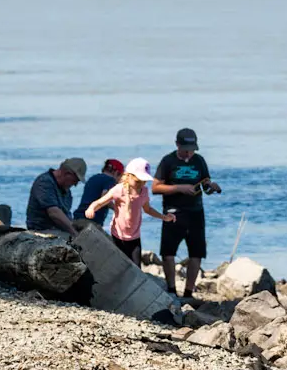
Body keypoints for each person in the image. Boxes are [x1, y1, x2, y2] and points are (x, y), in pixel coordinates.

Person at [153, 128, 220, 299]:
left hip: (196, 212)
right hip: (173, 212)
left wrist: (212, 188)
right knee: (168, 253)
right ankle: (171, 290)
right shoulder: (168, 161)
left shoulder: (199, 161)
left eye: (191, 148)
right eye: (185, 149)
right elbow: (155, 187)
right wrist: (179, 188)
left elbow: (205, 184)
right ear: (177, 145)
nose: (189, 152)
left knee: (196, 253)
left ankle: (189, 292)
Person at [82, 157, 172, 262]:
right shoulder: (118, 190)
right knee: (118, 263)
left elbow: (147, 209)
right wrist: (91, 208)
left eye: (144, 181)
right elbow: (100, 202)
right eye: (138, 181)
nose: (142, 184)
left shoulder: (144, 191)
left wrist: (163, 217)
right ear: (128, 176)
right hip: (118, 235)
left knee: (136, 267)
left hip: (134, 236)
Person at [25, 158, 86, 234]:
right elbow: (54, 213)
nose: (75, 184)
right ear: (67, 173)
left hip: (59, 230)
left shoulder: (66, 191)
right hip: (42, 230)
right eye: (75, 180)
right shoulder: (44, 182)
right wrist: (74, 233)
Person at [75, 158, 125, 233]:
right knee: (111, 244)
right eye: (120, 176)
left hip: (78, 219)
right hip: (90, 222)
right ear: (116, 172)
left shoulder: (93, 178)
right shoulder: (110, 180)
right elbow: (105, 197)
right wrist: (119, 210)